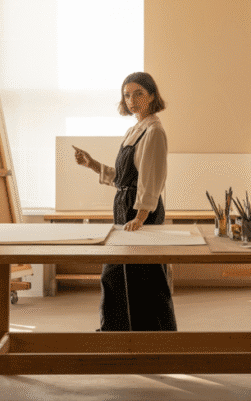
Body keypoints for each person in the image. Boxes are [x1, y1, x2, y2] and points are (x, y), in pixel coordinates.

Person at [73, 72, 177, 331]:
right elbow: (123, 179)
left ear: (152, 95)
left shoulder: (153, 131)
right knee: (116, 274)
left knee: (145, 279)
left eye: (139, 93)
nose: (132, 100)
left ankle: (154, 340)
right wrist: (92, 164)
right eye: (127, 94)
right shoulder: (135, 129)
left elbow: (151, 180)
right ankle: (115, 332)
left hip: (139, 211)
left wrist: (141, 216)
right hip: (125, 206)